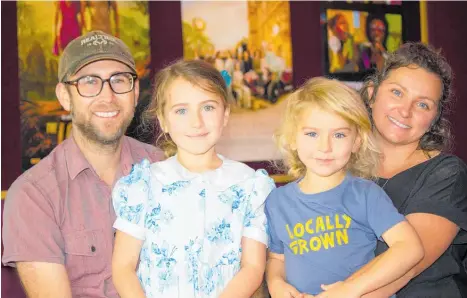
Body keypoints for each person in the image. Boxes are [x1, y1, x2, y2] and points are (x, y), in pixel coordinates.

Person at [2, 30, 163, 298]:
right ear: (65, 96)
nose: (108, 96)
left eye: (119, 80)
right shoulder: (33, 196)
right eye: (89, 82)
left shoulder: (164, 168)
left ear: (135, 92)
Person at [111, 60, 275, 298]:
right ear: (163, 120)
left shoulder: (251, 186)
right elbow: (123, 267)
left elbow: (253, 267)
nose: (196, 122)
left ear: (225, 113)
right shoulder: (142, 185)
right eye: (181, 110)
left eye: (208, 107)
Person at [265, 77, 424, 297]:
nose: (325, 147)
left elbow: (409, 247)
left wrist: (351, 289)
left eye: (339, 135)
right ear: (292, 138)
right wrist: (276, 283)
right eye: (312, 134)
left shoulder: (365, 194)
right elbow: (277, 258)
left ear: (357, 141)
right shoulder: (277, 202)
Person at [356, 42, 467, 297]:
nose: (405, 111)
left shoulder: (446, 174)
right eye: (397, 92)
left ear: (433, 121)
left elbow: (405, 267)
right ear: (372, 94)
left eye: (423, 105)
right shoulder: (339, 167)